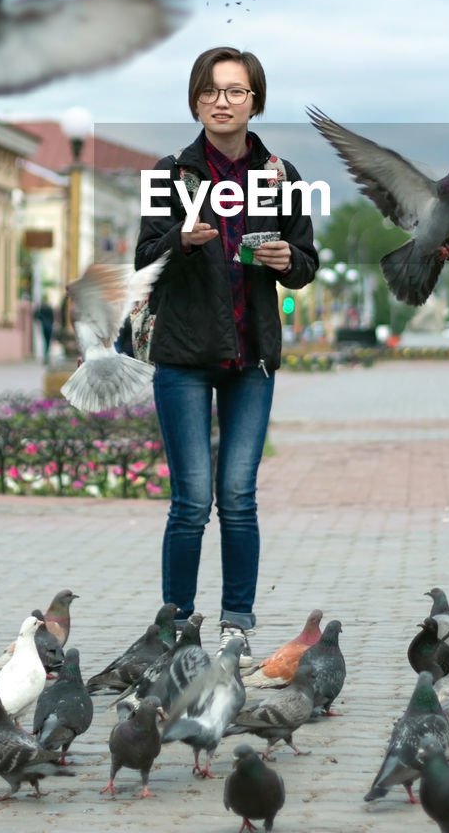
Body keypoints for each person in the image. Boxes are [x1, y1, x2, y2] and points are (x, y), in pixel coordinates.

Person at [135, 46, 318, 659]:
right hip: (183, 357)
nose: (223, 101)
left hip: (252, 358)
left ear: (255, 102)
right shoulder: (171, 175)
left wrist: (288, 261)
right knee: (191, 500)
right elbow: (143, 260)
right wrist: (181, 240)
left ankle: (236, 622)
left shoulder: (281, 176)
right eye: (211, 91)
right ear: (195, 101)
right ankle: (176, 626)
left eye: (235, 91)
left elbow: (305, 262)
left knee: (238, 496)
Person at [34, 295, 55, 364]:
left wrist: (42, 321)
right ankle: (47, 357)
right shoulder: (49, 308)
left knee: (46, 342)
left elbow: (37, 316)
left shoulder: (42, 309)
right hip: (49, 327)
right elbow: (52, 318)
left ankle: (46, 357)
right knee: (47, 343)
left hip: (44, 327)